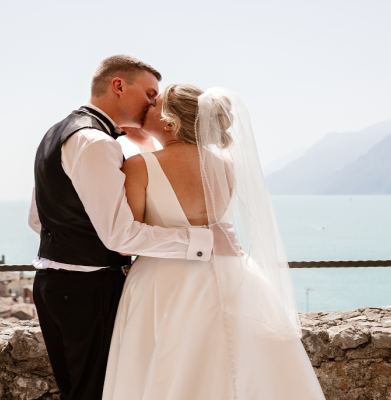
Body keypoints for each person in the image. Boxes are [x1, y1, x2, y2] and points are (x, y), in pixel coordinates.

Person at [102, 84, 325, 399]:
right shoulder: (226, 166)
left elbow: (127, 241)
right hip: (230, 274)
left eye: (154, 105)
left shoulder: (141, 166)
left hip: (163, 283)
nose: (146, 106)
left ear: (169, 123)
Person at [28, 56, 219, 400]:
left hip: (51, 285)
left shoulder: (58, 132)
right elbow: (120, 236)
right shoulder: (98, 143)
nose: (152, 103)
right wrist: (201, 241)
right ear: (118, 85)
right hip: (88, 289)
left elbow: (37, 219)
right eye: (149, 93)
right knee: (97, 392)